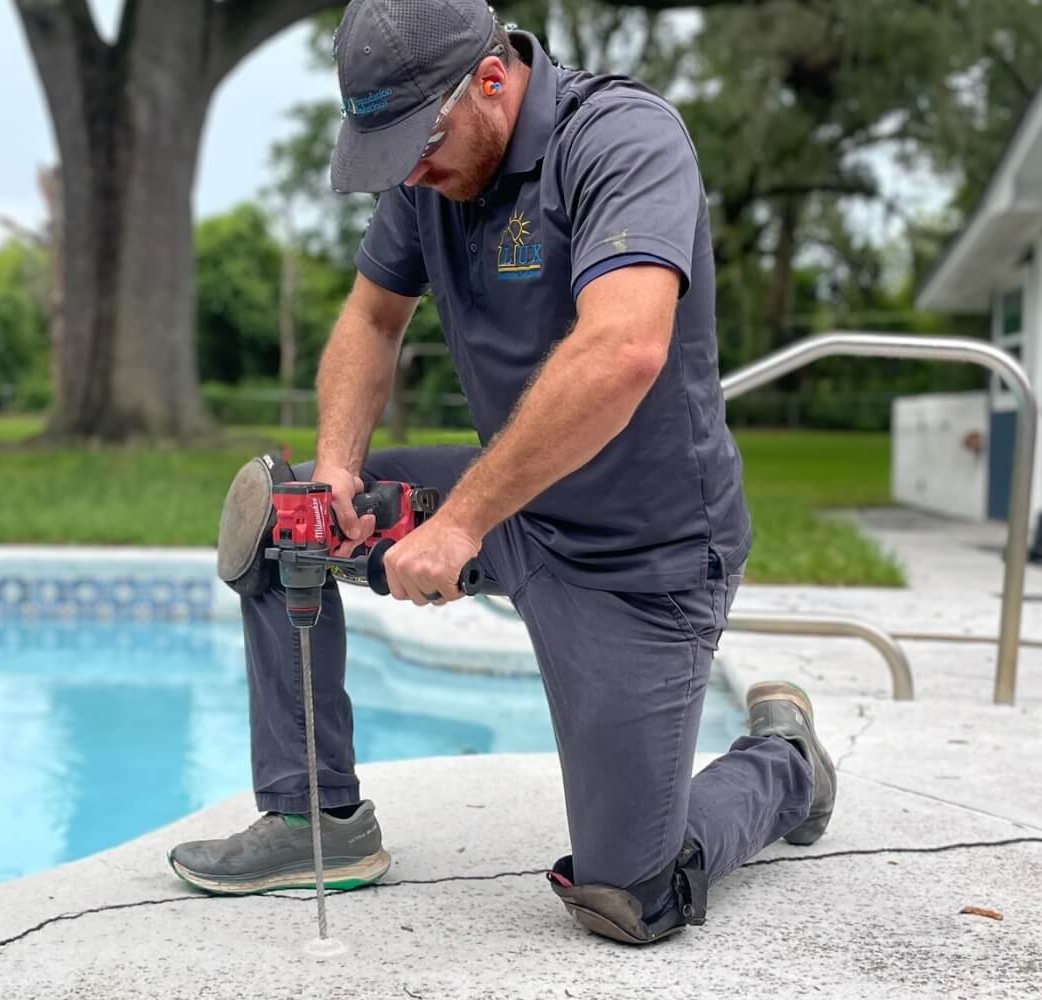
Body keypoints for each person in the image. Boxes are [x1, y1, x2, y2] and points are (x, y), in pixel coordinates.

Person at [168, 0, 837, 945]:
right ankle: (313, 818)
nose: (409, 172)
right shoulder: (429, 172)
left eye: (419, 145)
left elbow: (624, 349)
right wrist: (336, 469)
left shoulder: (621, 139)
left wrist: (459, 521)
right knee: (287, 520)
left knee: (627, 895)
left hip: (640, 556)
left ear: (492, 80)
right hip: (509, 504)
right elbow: (370, 319)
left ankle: (787, 764)